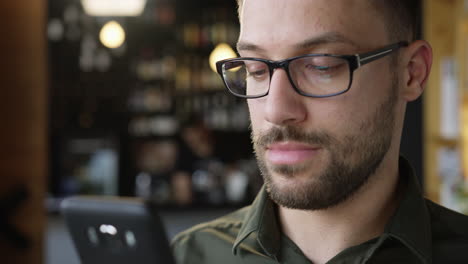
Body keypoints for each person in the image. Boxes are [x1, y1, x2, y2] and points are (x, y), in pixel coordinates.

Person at [172, 0, 468, 263]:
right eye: (256, 69)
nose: (275, 111)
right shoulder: (184, 256)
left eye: (321, 66)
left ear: (411, 72)